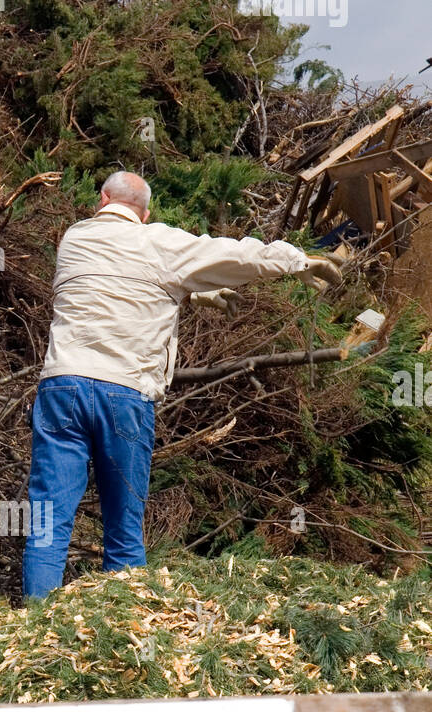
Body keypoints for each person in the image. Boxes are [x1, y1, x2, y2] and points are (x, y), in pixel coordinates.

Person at [21, 170, 341, 599]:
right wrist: (296, 260)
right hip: (123, 393)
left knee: (48, 520)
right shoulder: (160, 242)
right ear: (146, 212)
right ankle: (119, 629)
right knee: (123, 527)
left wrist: (192, 292)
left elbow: (117, 282)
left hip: (61, 389)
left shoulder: (75, 239)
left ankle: (33, 628)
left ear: (103, 199)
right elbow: (233, 256)